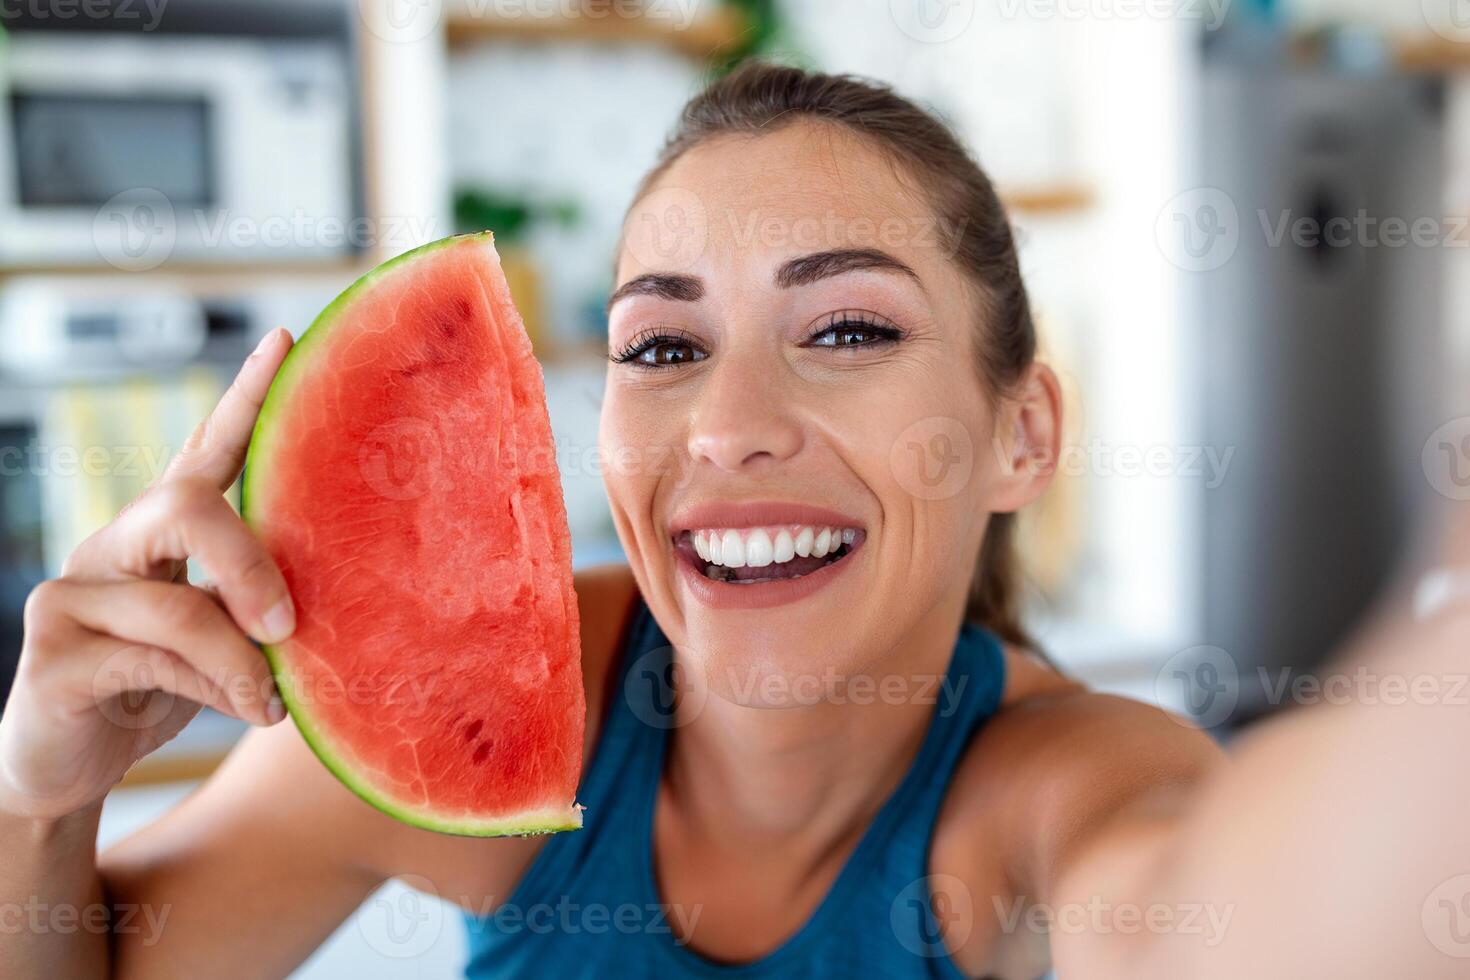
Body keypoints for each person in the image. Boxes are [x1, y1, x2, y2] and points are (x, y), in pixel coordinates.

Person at [2, 62, 1467, 979]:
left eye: (843, 330)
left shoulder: (1055, 790)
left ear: (1019, 435)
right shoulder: (504, 697)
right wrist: (39, 802)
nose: (724, 422)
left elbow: (1221, 921)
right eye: (659, 346)